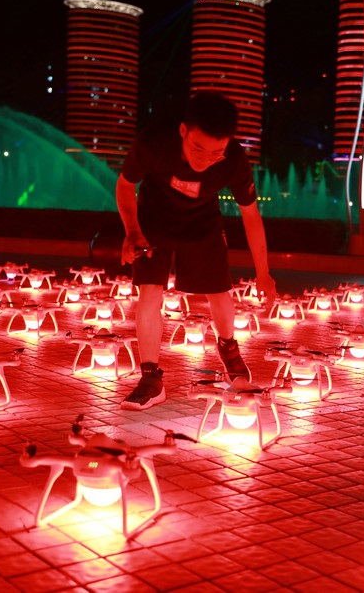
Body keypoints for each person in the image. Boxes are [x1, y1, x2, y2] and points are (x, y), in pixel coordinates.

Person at [115, 90, 278, 411]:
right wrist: (132, 231)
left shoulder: (234, 160)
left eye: (216, 152)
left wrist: (264, 273)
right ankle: (150, 378)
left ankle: (229, 349)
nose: (204, 159)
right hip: (153, 218)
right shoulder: (154, 142)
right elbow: (124, 184)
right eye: (197, 148)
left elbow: (251, 215)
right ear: (183, 131)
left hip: (202, 221)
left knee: (219, 290)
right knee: (149, 290)